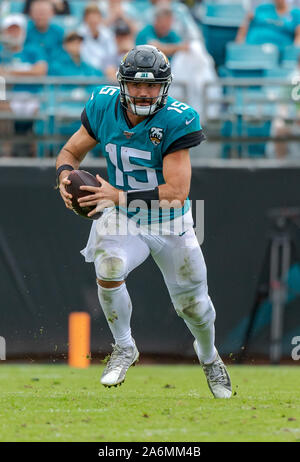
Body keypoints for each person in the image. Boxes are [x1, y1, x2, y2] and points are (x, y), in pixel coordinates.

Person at [56, 45, 232, 399]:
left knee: (194, 307)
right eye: (136, 84)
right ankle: (124, 346)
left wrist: (116, 196)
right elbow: (71, 152)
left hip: (170, 220)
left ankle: (210, 357)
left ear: (164, 87)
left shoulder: (176, 119)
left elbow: (177, 192)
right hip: (123, 216)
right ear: (123, 83)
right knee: (108, 266)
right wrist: (63, 175)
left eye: (152, 86)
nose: (143, 92)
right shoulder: (104, 106)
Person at [78, 3, 118, 79]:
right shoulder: (79, 34)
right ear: (85, 19)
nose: (93, 20)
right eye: (90, 18)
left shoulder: (108, 34)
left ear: (100, 18)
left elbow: (112, 55)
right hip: (86, 71)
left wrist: (108, 68)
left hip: (106, 70)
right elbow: (84, 57)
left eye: (96, 17)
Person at [236, 0, 300, 47]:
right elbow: (245, 25)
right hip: (252, 49)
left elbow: (298, 37)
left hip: (278, 54)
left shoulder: (296, 13)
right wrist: (239, 44)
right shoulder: (262, 8)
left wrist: (293, 53)